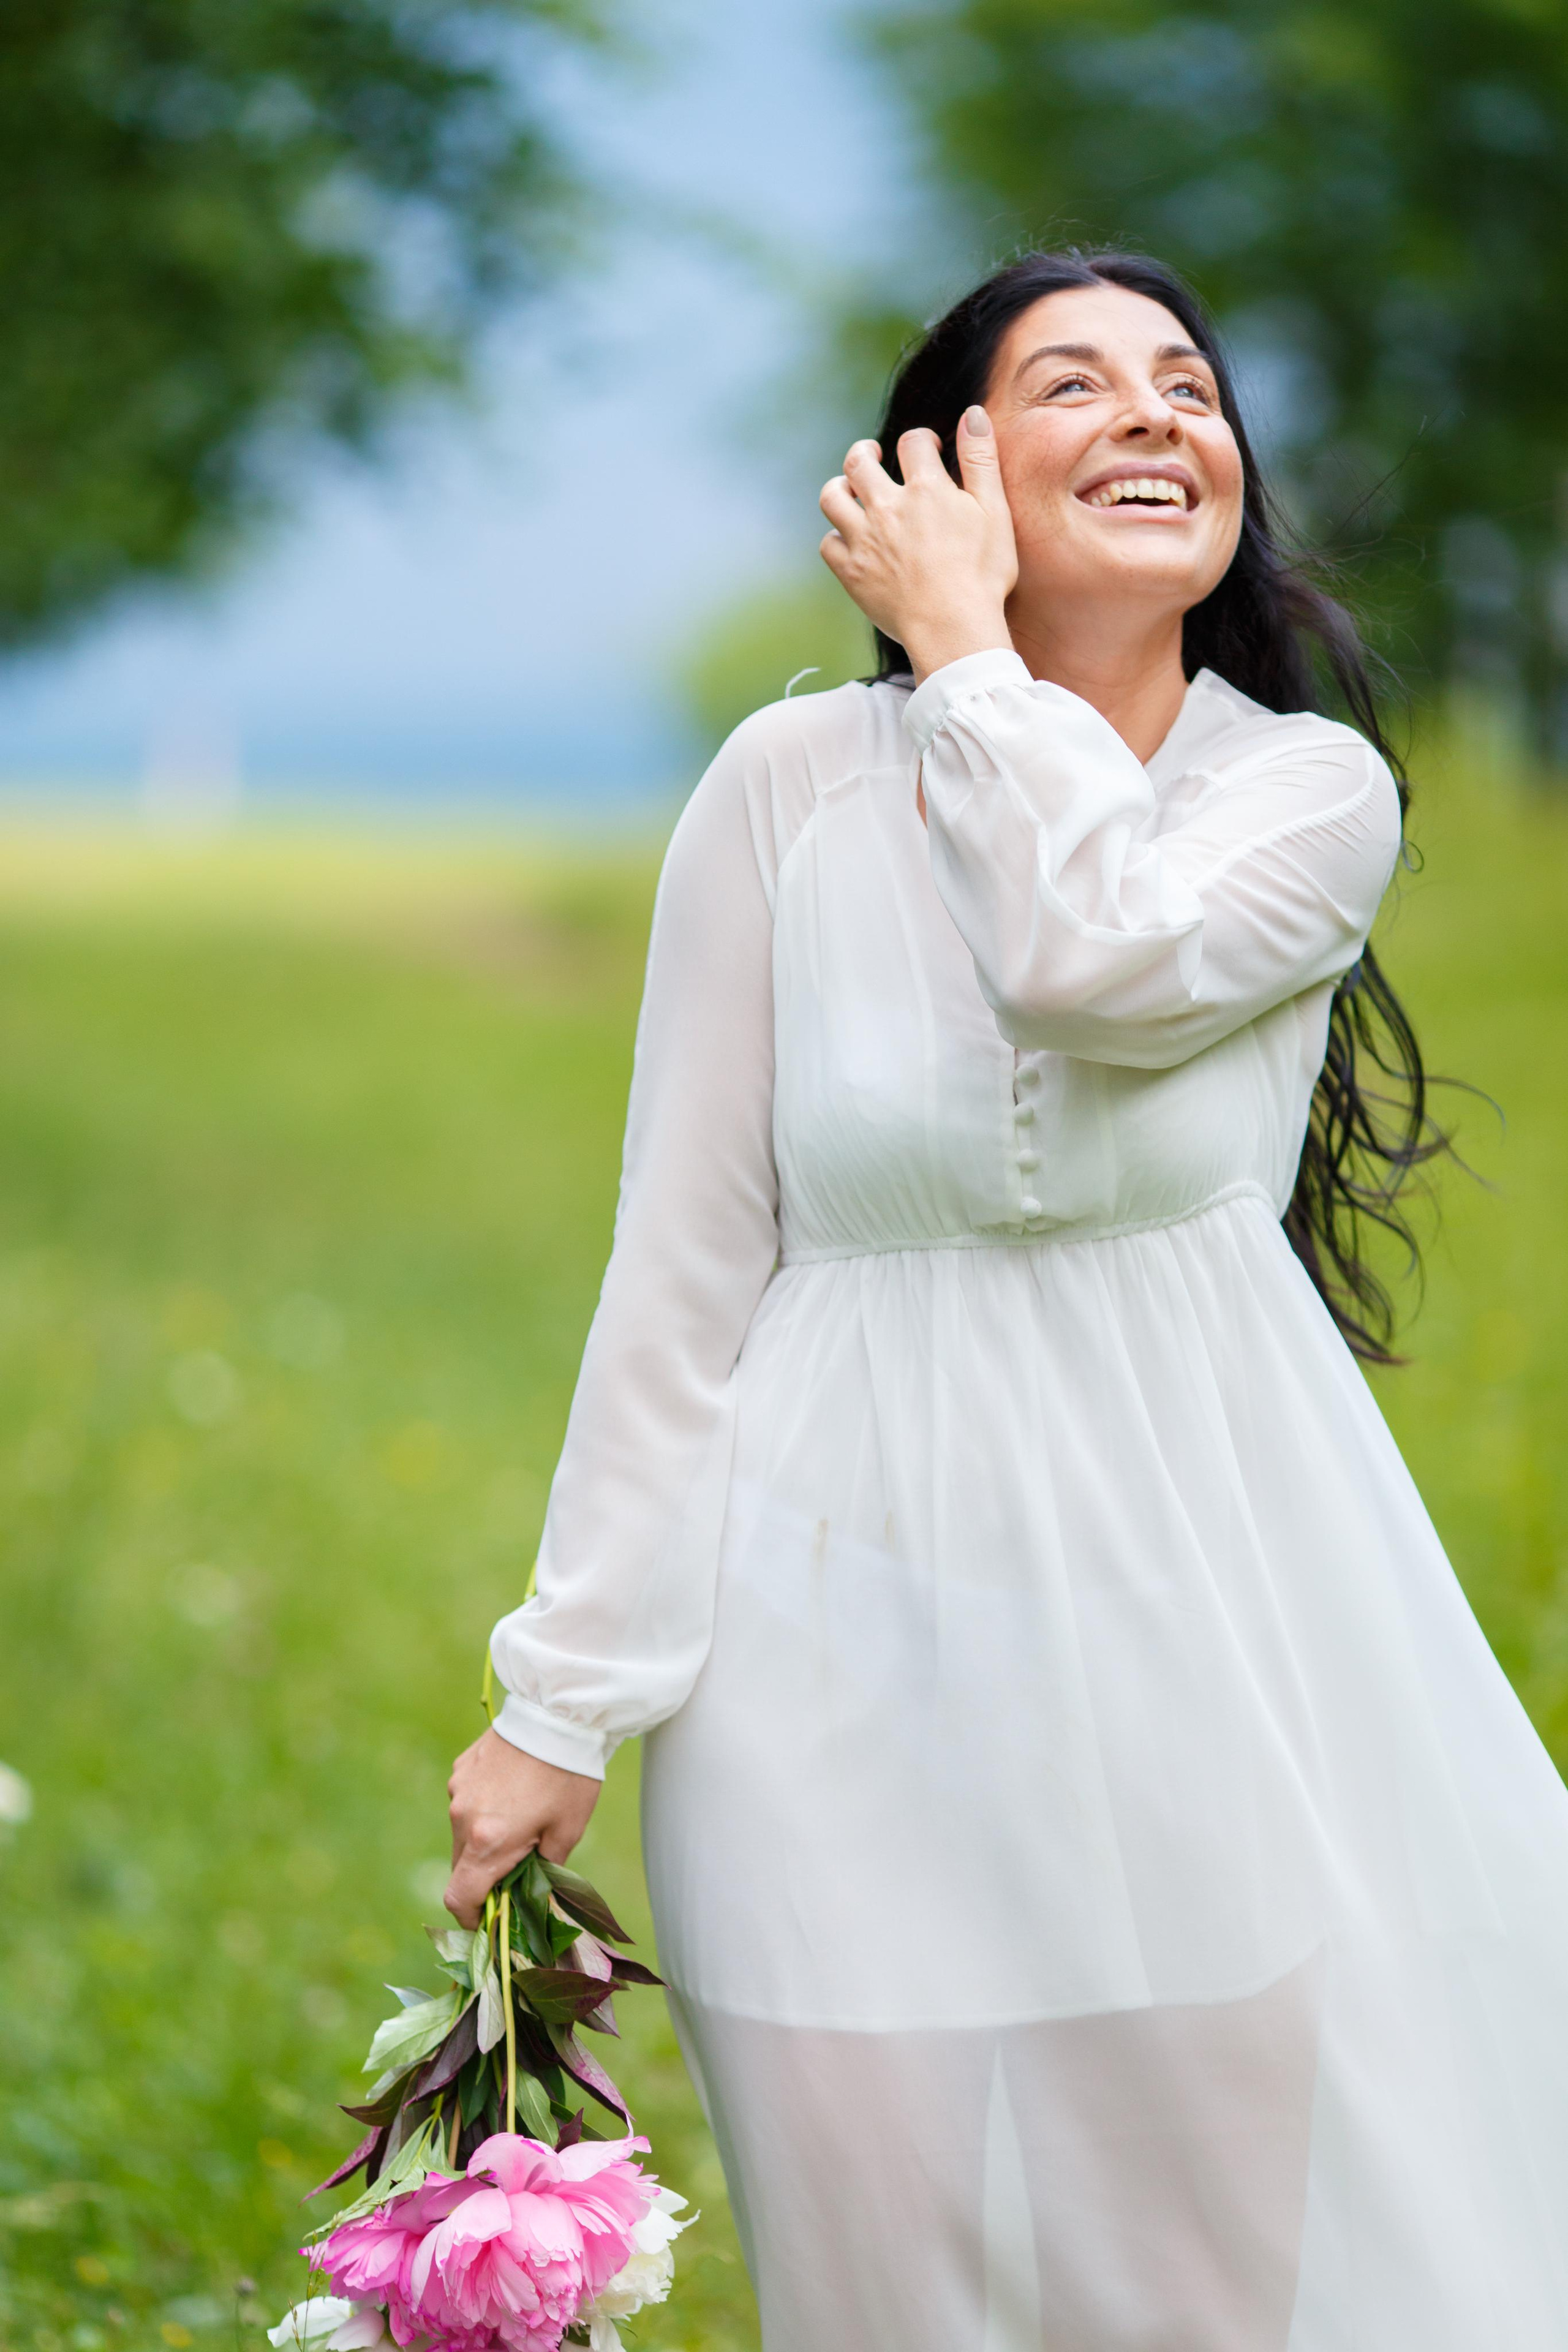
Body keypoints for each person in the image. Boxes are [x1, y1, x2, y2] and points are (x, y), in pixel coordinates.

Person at [443, 251, 1568, 2348]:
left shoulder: (1306, 795)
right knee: (877, 2282)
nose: (1160, 416)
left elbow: (1097, 961)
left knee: (1202, 2285)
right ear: (953, 463)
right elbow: (685, 1269)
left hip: (1201, 1610)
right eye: (1077, 384)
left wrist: (968, 661)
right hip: (822, 1629)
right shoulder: (782, 794)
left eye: (1190, 387)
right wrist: (563, 1689)